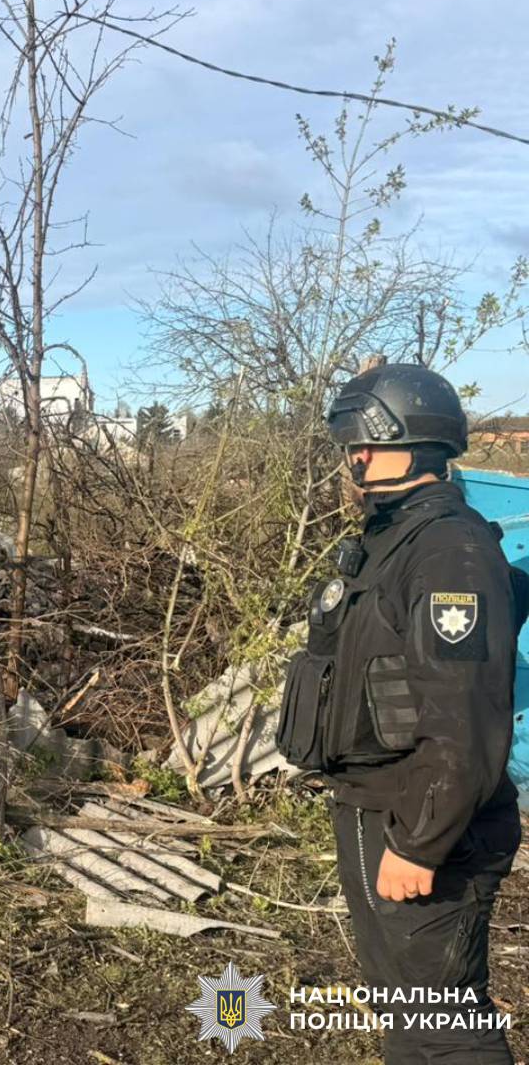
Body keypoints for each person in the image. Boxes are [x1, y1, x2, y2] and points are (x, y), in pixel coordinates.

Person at [277, 362, 528, 1064]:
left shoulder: (449, 551)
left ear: (420, 441)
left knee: (447, 1024)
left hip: (421, 822)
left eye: (370, 442)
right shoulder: (392, 537)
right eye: (350, 443)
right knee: (405, 1006)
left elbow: (464, 717)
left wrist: (421, 841)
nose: (356, 457)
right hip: (372, 803)